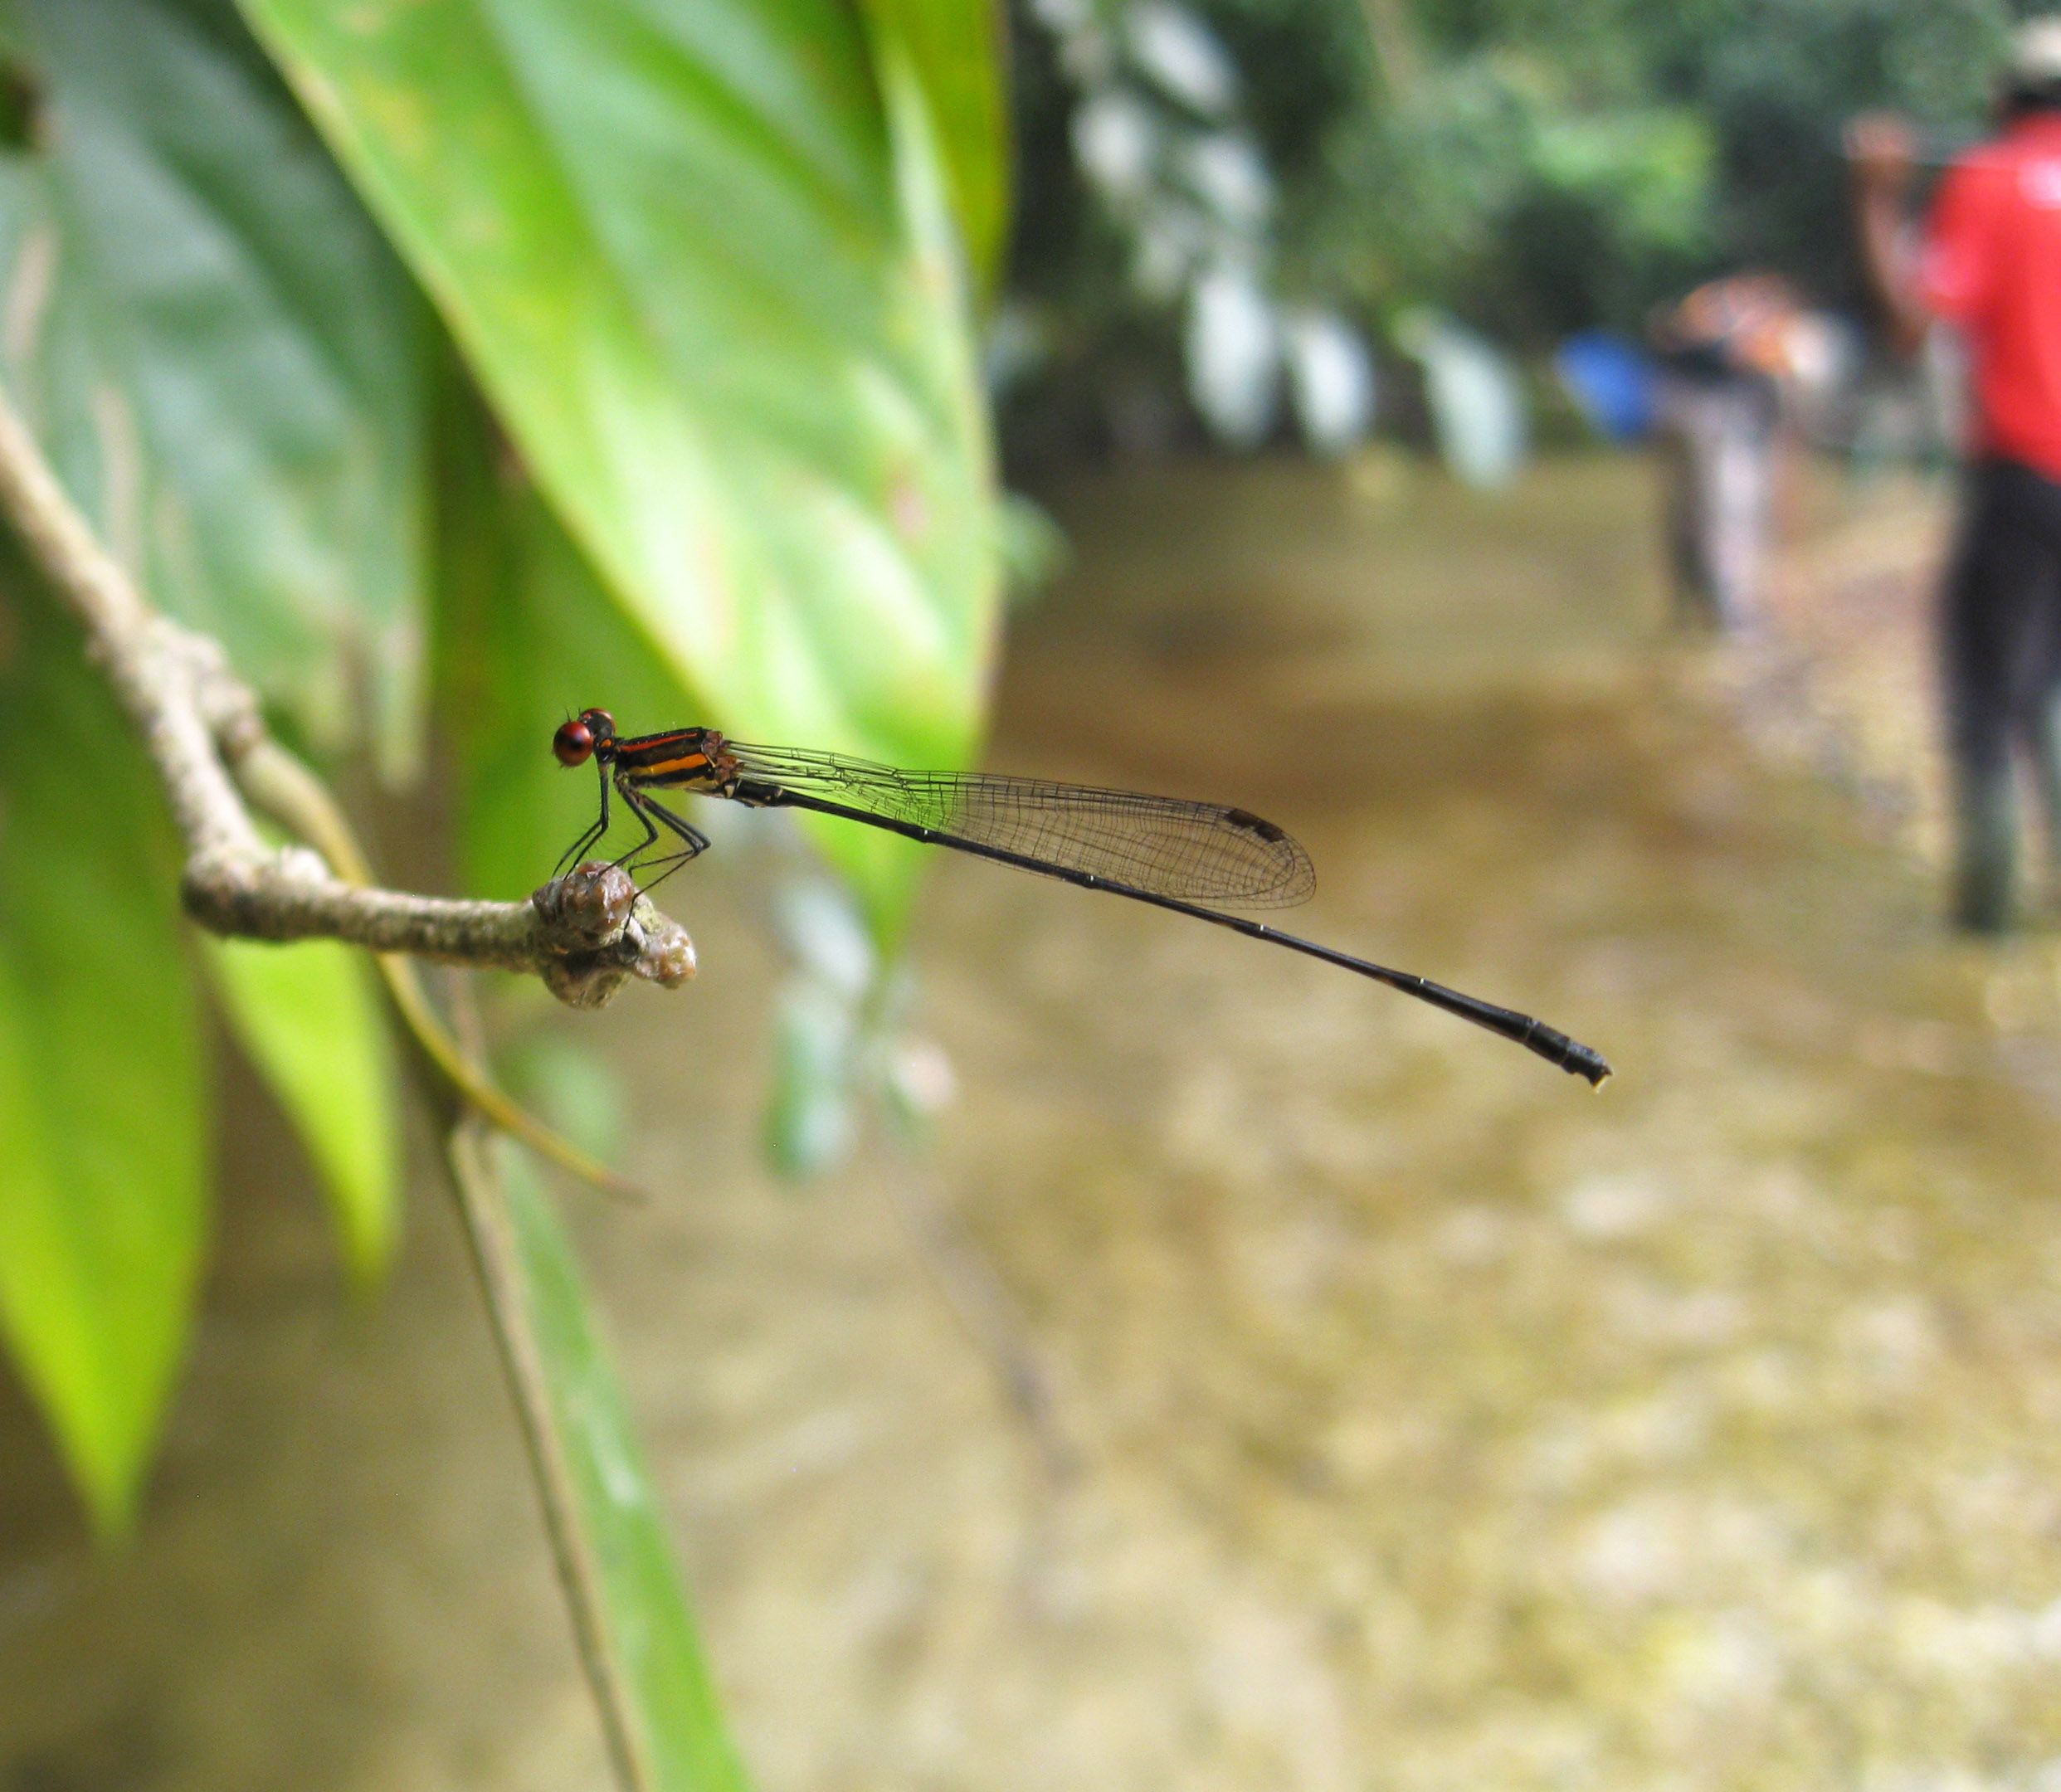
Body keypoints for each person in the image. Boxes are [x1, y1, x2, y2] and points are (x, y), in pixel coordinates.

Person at [1849, 20, 2061, 933]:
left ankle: (1987, 924)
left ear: (2004, 96)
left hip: (2024, 472)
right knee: (2052, 680)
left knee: (1984, 693)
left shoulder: (1988, 177)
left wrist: (1877, 197)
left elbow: (1913, 321)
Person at [1646, 273, 1806, 632]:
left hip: (1728, 423)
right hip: (1710, 420)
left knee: (1719, 517)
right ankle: (1721, 613)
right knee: (1717, 516)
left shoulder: (1740, 320)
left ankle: (1713, 612)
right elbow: (1681, 341)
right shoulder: (1714, 312)